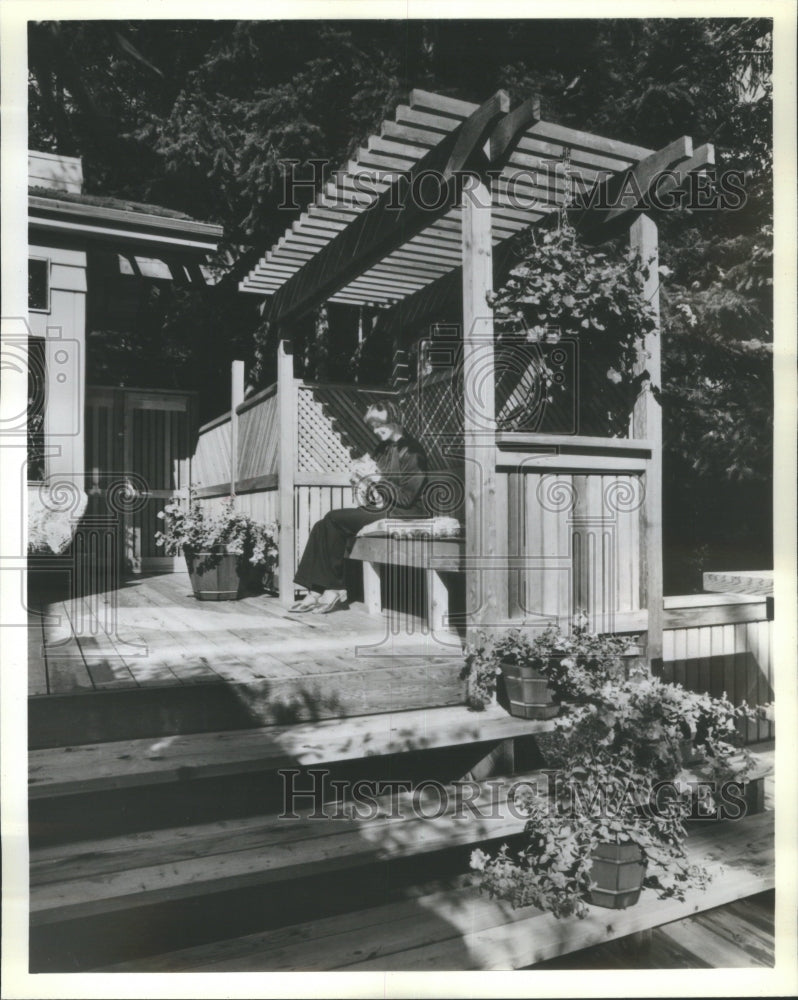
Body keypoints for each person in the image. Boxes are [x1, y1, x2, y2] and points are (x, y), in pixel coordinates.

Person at [289, 399, 427, 614]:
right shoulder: (382, 449)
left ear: (395, 421)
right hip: (384, 507)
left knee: (333, 518)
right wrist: (361, 479)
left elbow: (408, 498)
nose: (375, 430)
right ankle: (315, 591)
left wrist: (376, 479)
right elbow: (374, 479)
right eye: (372, 425)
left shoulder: (412, 451)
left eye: (379, 424)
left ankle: (333, 589)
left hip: (406, 512)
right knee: (321, 525)